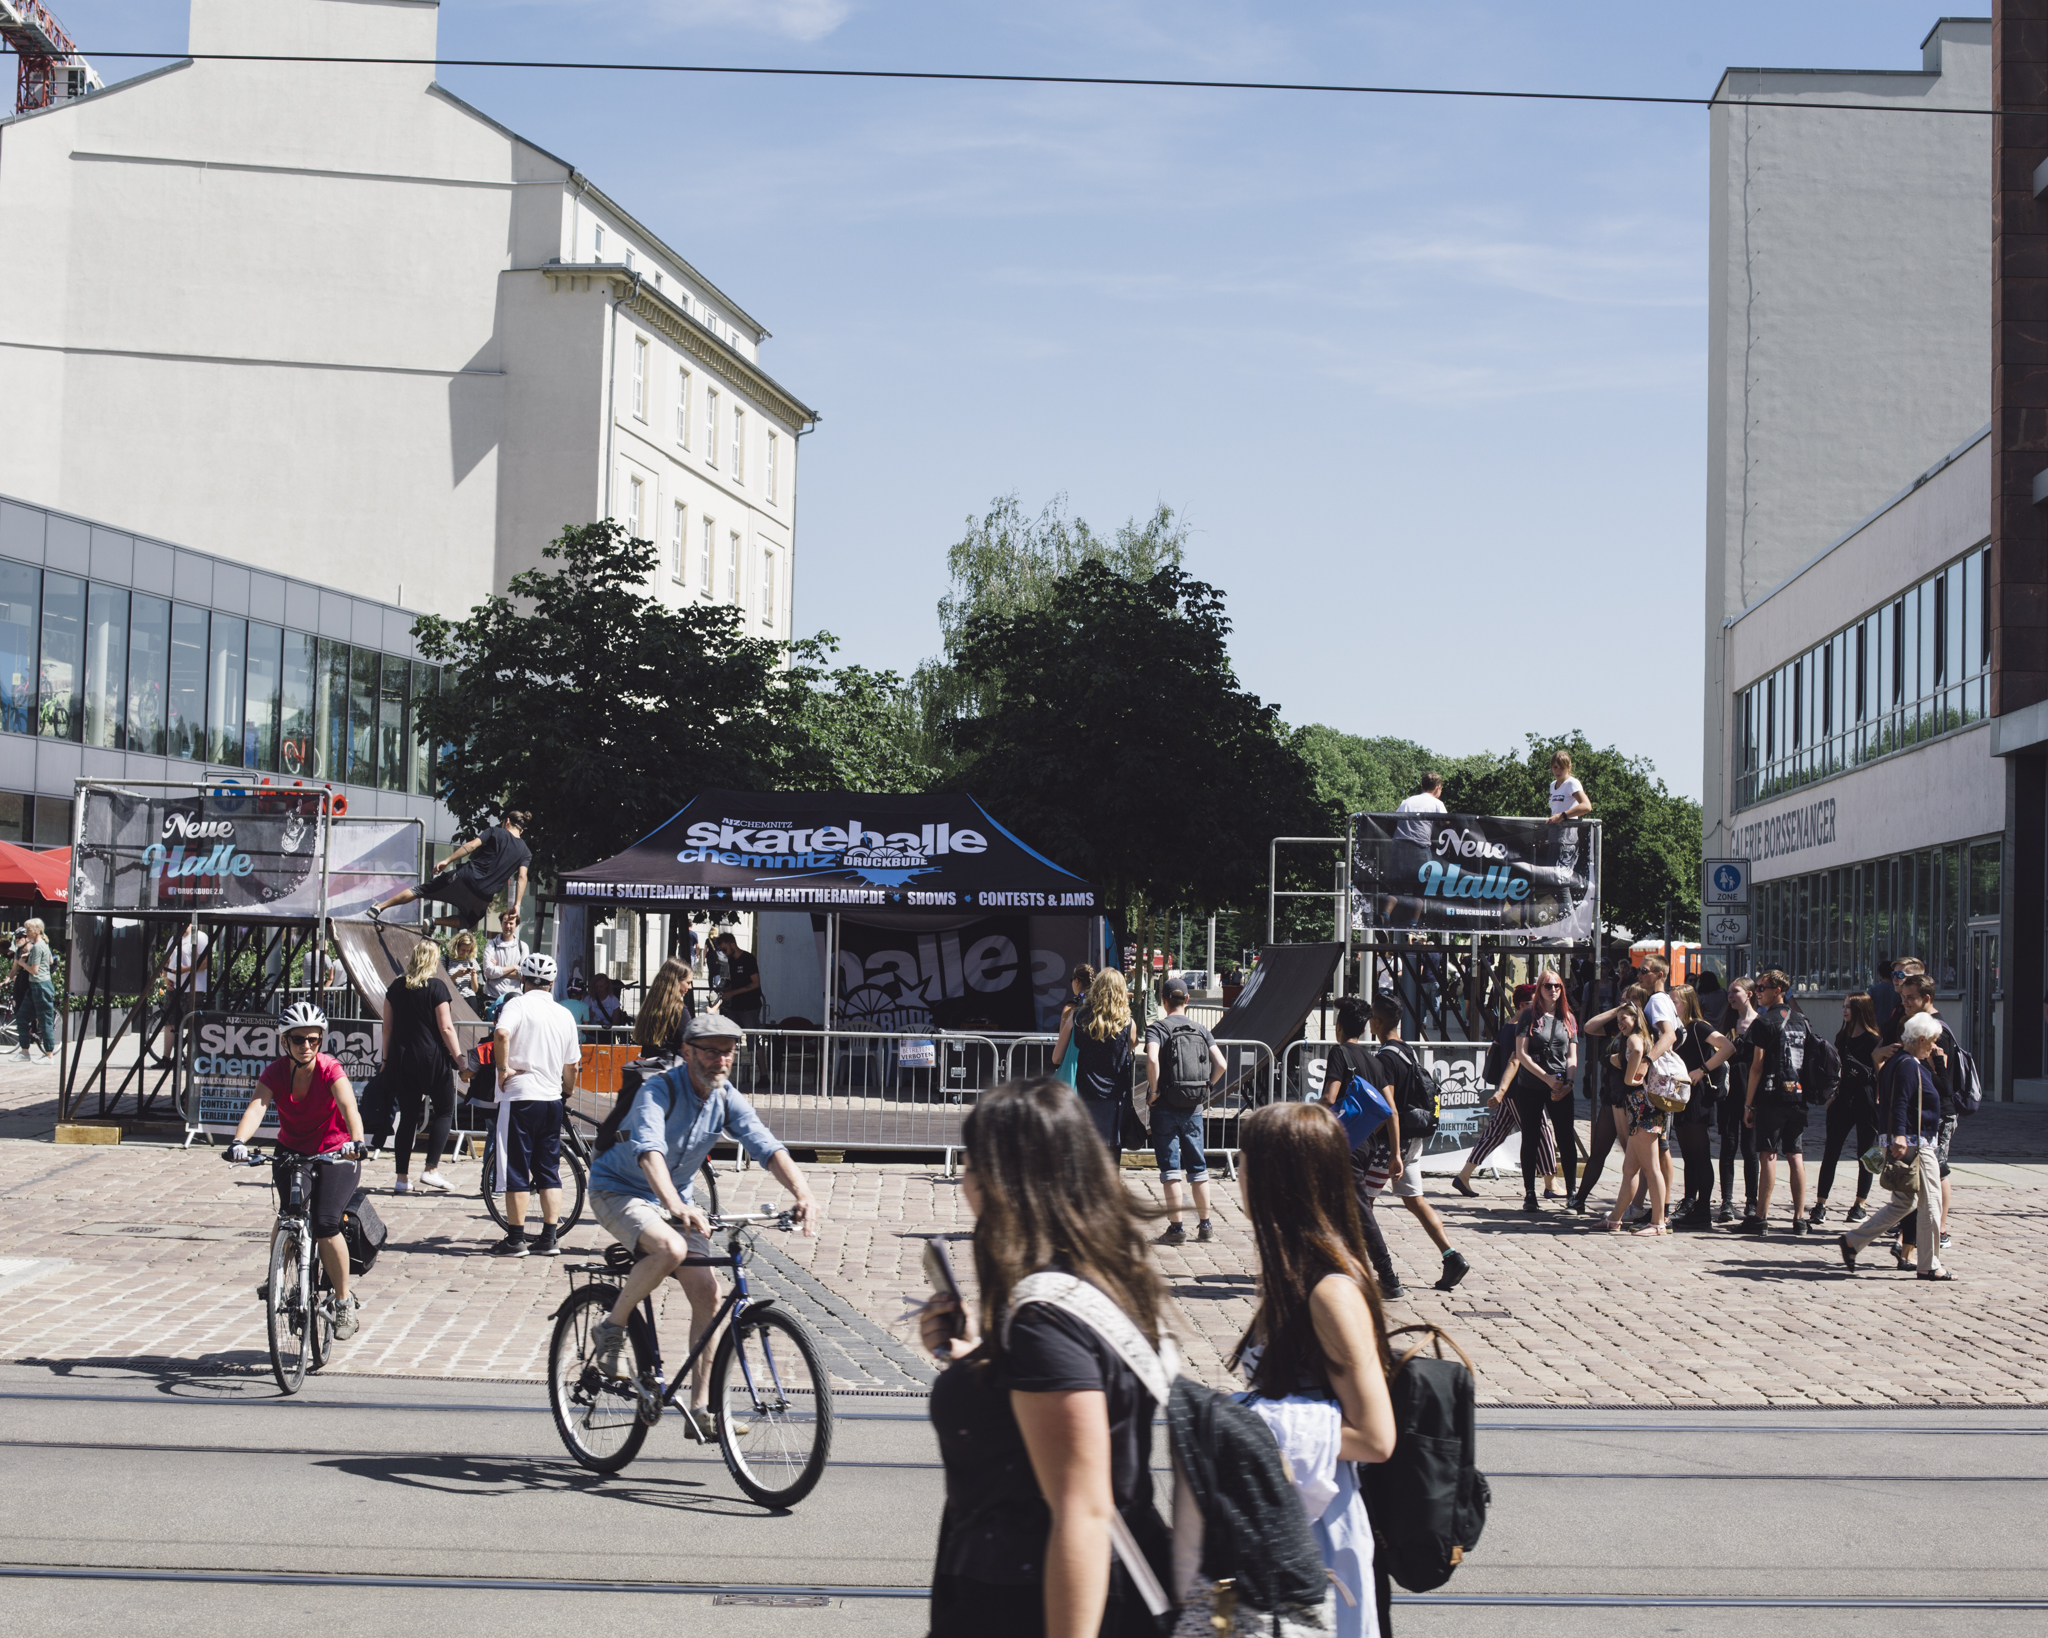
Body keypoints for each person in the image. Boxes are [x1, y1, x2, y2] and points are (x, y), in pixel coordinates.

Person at [915, 1077, 1171, 1638]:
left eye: (972, 1161)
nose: (965, 1178)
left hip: (1026, 1600)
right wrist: (978, 1358)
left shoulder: (1044, 1322)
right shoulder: (1102, 1276)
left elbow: (1081, 1511)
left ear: (1002, 1179)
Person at [588, 1011, 818, 1440]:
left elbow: (765, 1145)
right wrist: (675, 1204)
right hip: (618, 1189)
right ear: (687, 1052)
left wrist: (802, 1191)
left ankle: (703, 1409)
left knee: (710, 1295)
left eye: (728, 1052)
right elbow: (649, 1151)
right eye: (711, 1052)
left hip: (677, 1199)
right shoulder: (658, 1090)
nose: (721, 1060)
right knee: (670, 1249)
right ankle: (612, 1328)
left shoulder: (725, 1097)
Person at [1228, 1100, 1399, 1638]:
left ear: (1278, 1177)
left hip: (1327, 1540)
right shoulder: (1291, 1271)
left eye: (1246, 1159)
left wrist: (1255, 1430)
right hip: (1295, 1522)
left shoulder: (1330, 1291)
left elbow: (1376, 1436)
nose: (1237, 1170)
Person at [223, 1001, 367, 1340]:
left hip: (336, 1153)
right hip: (292, 1152)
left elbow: (349, 1107)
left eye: (314, 1040)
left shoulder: (330, 1069)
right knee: (289, 1213)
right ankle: (277, 1275)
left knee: (325, 1223)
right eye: (299, 1039)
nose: (306, 1046)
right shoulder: (274, 1072)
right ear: (284, 1041)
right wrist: (239, 1141)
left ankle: (344, 1302)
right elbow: (257, 1107)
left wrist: (356, 1141)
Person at [1838, 1011, 1951, 1281]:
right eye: (1931, 1041)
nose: (1933, 1046)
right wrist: (1900, 1135)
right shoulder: (1909, 1064)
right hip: (1915, 1143)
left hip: (1905, 1140)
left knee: (1904, 1203)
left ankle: (1853, 1241)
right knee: (1931, 1204)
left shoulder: (1898, 1061)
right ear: (1921, 1038)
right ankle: (1929, 1264)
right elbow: (1899, 1102)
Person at [1368, 996, 1471, 1290]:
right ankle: (1451, 1256)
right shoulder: (1405, 1050)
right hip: (1411, 1142)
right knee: (1415, 1201)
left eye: (1372, 1018)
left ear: (1378, 1022)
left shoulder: (1385, 1058)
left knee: (1364, 1205)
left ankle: (1369, 1270)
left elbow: (1388, 1108)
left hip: (1391, 1145)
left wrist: (1390, 1153)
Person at [487, 951, 582, 1258]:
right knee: (548, 1169)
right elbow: (572, 1065)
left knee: (516, 1166)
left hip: (521, 1096)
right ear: (552, 982)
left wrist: (502, 1070)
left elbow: (501, 1033)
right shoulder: (563, 1014)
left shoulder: (517, 1004)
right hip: (551, 1098)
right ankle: (549, 1236)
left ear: (523, 979)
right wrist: (565, 1091)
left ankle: (515, 1238)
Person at [1872, 972, 1961, 1261]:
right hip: (1910, 1120)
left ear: (1927, 998)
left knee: (1932, 1183)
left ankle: (1926, 1243)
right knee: (1911, 1191)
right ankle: (1907, 1249)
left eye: (1910, 998)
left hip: (1931, 1117)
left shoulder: (1937, 1031)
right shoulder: (1905, 1023)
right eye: (1902, 996)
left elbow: (1942, 1087)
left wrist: (1936, 1065)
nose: (1904, 1002)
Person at [1144, 975, 1225, 1246]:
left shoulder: (1158, 1028)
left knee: (1170, 1169)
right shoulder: (1202, 1029)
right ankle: (1206, 1226)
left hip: (1164, 1106)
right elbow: (1221, 1064)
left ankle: (1176, 1229)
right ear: (1187, 1000)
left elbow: (1153, 1059)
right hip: (1193, 1106)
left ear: (1163, 1001)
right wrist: (1206, 1088)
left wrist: (1154, 1091)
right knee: (1198, 1167)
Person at [380, 938, 462, 1196]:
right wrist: (459, 1058)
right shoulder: (436, 987)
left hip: (403, 1059)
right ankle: (431, 1169)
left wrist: (384, 1060)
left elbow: (387, 1028)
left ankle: (402, 1178)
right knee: (445, 1110)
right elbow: (446, 1027)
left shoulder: (395, 987)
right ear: (433, 961)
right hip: (432, 1059)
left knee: (407, 1116)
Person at [371, 809, 531, 930]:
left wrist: (447, 860)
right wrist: (517, 904)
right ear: (522, 831)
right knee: (468, 922)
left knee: (419, 891)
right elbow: (522, 877)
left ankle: (379, 907)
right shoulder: (525, 852)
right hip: (483, 895)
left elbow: (471, 845)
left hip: (464, 878)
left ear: (507, 821)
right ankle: (434, 921)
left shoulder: (495, 831)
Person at [1741, 970, 1810, 1235]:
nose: (1758, 992)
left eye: (1762, 988)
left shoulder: (1764, 1021)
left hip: (1772, 1094)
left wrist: (1748, 1105)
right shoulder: (1801, 1021)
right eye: (1757, 987)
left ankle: (1760, 1217)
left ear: (1778, 990)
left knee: (1768, 1153)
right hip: (1798, 1094)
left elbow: (1756, 1067)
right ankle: (1799, 1218)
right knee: (1795, 1154)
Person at [1665, 983, 1734, 1230]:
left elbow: (1727, 1046)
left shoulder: (1697, 1026)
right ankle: (1690, 1202)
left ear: (1687, 1003)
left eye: (1675, 1001)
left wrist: (1702, 1069)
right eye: (1669, 1001)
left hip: (1697, 1096)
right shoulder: (1676, 1028)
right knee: (1688, 1154)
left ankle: (1703, 1208)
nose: (1672, 1006)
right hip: (1680, 1095)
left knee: (1699, 1153)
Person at [1810, 992, 1881, 1226]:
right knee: (1831, 1151)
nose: (1844, 1010)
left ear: (1861, 1009)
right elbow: (1835, 1068)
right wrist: (1831, 1095)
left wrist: (1880, 1101)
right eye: (1843, 1006)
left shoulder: (1873, 1039)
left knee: (1866, 1154)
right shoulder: (1842, 1036)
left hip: (1866, 1098)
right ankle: (1820, 1204)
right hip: (1843, 1099)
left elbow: (1879, 1074)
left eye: (1849, 1007)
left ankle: (1860, 1204)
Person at [1600, 1000, 1670, 1236]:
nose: (1620, 1023)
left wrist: (1629, 1077)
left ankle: (1658, 1223)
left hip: (1643, 1107)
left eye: (1624, 1018)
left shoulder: (1635, 1038)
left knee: (1651, 1169)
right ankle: (1614, 1219)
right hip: (1643, 1107)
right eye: (1618, 1019)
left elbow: (1637, 1051)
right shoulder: (1645, 1036)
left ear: (1635, 1018)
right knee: (1630, 1168)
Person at [1511, 967, 1578, 1212]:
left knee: (1565, 1138)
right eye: (1548, 986)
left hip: (1560, 1085)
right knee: (1530, 1138)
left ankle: (1572, 1192)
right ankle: (1530, 1193)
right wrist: (1546, 1078)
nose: (1553, 990)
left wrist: (1568, 1084)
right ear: (1539, 989)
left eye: (1557, 986)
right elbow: (1521, 1053)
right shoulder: (1529, 1015)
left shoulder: (1568, 1018)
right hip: (1531, 1084)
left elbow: (1572, 1057)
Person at [1055, 968, 1139, 1164]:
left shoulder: (1077, 1018)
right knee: (1111, 1158)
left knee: (1085, 1157)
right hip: (1115, 1098)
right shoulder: (1128, 1023)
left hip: (1085, 1095)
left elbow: (1056, 1058)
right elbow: (1131, 1046)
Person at [1715, 977, 1760, 1223]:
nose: (1730, 996)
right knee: (1728, 1147)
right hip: (1728, 1095)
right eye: (1729, 992)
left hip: (1751, 1094)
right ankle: (1726, 1201)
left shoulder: (1759, 1023)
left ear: (1749, 994)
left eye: (1736, 991)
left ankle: (1751, 1203)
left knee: (1750, 1150)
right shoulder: (1727, 1022)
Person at [150, 920, 209, 1064]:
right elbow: (167, 960)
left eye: (185, 922)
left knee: (192, 1021)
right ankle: (166, 1057)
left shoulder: (200, 937)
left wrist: (185, 970)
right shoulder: (174, 938)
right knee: (170, 1021)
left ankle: (191, 1058)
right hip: (174, 986)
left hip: (193, 987)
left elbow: (206, 962)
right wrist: (166, 977)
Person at [14, 916, 56, 1061]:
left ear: (37, 931)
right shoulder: (42, 944)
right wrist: (30, 955)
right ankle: (24, 1051)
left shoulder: (38, 946)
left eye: (28, 930)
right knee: (21, 1016)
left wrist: (22, 963)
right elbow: (50, 961)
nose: (26, 932)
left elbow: (34, 970)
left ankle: (49, 1054)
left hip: (41, 985)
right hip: (36, 986)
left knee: (45, 1020)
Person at [634, 957, 695, 1056]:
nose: (690, 987)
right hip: (671, 1066)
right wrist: (710, 1017)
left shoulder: (651, 1005)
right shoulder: (678, 1009)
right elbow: (691, 1040)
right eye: (688, 982)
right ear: (676, 982)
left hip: (652, 1065)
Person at [713, 930, 764, 1028]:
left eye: (725, 949)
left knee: (751, 1039)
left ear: (732, 945)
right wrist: (726, 990)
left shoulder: (748, 959)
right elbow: (735, 980)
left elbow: (756, 983)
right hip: (736, 1005)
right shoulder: (731, 960)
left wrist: (732, 993)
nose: (723, 953)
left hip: (750, 1005)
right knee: (729, 1034)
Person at [480, 909, 528, 1012]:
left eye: (511, 923)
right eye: (505, 923)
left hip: (515, 998)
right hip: (493, 998)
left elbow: (524, 974)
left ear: (516, 925)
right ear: (501, 923)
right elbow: (488, 972)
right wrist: (514, 967)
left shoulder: (522, 947)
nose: (508, 926)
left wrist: (497, 970)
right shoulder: (491, 945)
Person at [1053, 963, 1093, 1086]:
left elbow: (1062, 1041)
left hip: (1073, 1067)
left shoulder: (1070, 1008)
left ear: (1076, 981)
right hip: (1094, 1068)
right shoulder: (1099, 1006)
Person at [445, 930, 481, 1002]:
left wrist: (473, 975)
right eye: (463, 950)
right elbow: (443, 984)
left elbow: (475, 989)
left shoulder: (471, 961)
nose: (465, 953)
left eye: (468, 951)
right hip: (453, 999)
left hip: (470, 999)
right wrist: (456, 975)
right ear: (456, 947)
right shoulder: (445, 960)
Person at [1869, 955, 1899, 1035]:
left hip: (1876, 1028)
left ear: (1880, 974)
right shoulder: (1898, 990)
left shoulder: (1873, 990)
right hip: (1895, 1029)